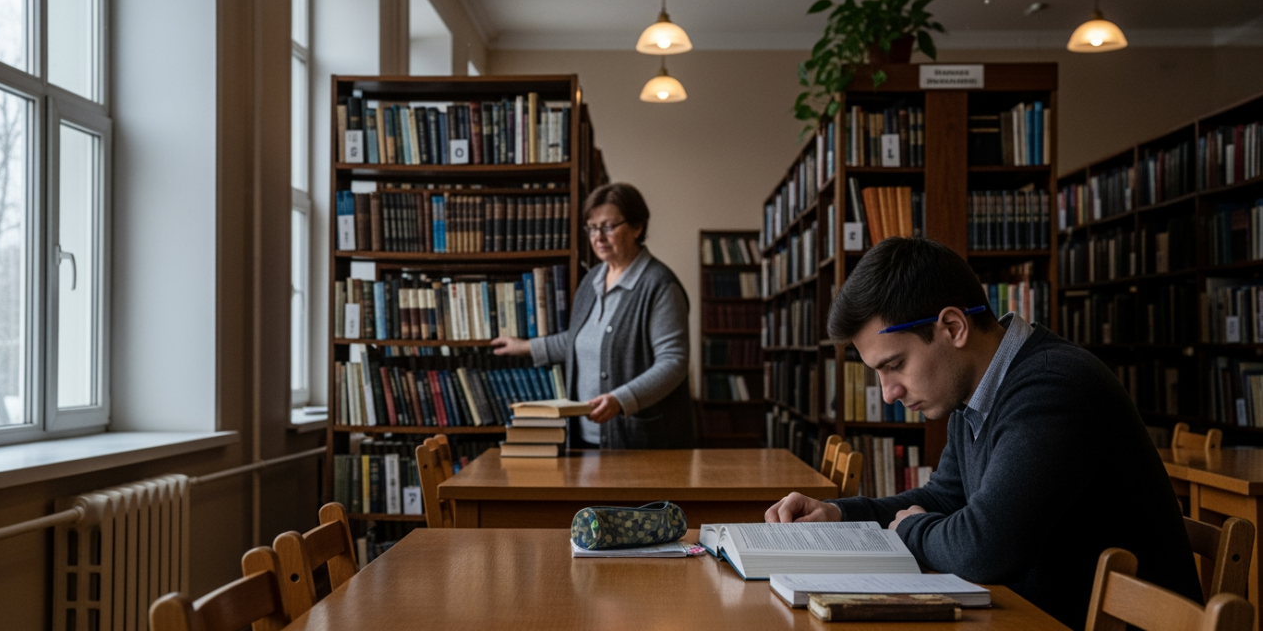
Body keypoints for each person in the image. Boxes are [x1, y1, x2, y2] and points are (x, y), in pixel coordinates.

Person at [764, 237, 1200, 630]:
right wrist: (838, 515)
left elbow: (985, 548)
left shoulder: (1054, 386)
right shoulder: (973, 392)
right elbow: (943, 500)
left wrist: (910, 530)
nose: (890, 392)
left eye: (894, 365)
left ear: (953, 327)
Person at [491, 182, 695, 449]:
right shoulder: (592, 281)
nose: (599, 237)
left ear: (637, 227)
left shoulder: (659, 285)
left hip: (640, 441)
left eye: (609, 227)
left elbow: (673, 363)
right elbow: (580, 339)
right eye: (593, 227)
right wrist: (526, 347)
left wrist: (622, 399)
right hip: (586, 438)